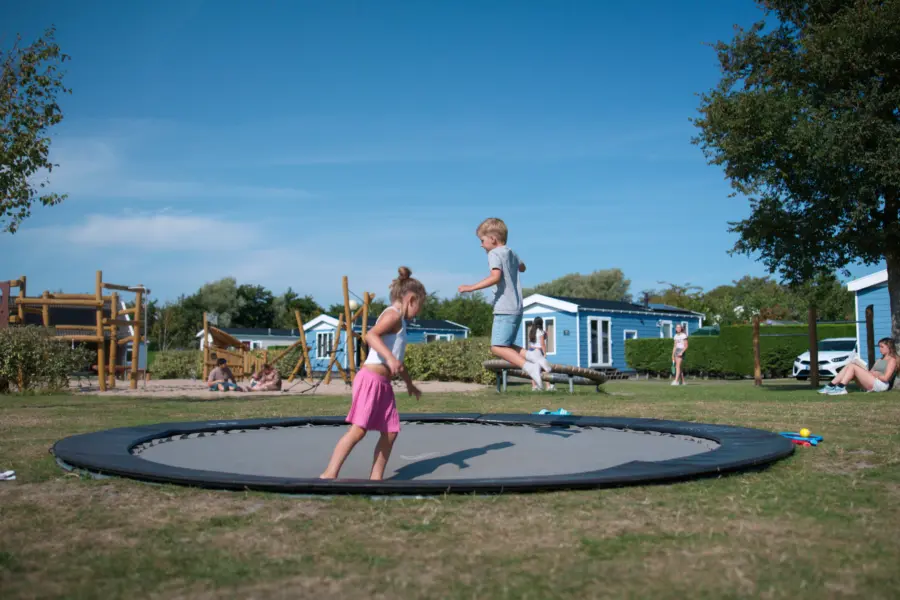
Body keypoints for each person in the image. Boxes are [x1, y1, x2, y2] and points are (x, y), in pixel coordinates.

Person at [320, 267, 426, 480]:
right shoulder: (392, 315)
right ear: (411, 299)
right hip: (370, 380)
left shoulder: (400, 321)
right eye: (420, 307)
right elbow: (370, 336)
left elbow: (399, 364)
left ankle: (376, 478)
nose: (419, 312)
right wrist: (389, 357)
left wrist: (409, 384)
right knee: (359, 430)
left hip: (383, 384)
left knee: (390, 432)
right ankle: (329, 474)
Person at [457, 217, 549, 389]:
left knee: (496, 348)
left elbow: (495, 277)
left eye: (482, 241)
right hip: (517, 307)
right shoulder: (511, 252)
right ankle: (534, 355)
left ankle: (530, 366)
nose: (481, 245)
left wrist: (470, 288)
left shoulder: (494, 254)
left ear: (492, 239)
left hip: (504, 307)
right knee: (506, 345)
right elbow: (523, 267)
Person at [819, 337, 898, 395]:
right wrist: (869, 372)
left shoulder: (892, 360)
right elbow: (870, 373)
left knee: (852, 366)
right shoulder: (879, 360)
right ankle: (830, 386)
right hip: (872, 380)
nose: (880, 349)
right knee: (850, 364)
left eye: (882, 347)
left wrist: (876, 375)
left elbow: (886, 378)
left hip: (881, 384)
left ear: (889, 347)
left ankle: (840, 388)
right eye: (879, 347)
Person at [526, 317, 554, 391]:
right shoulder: (540, 331)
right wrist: (545, 353)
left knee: (533, 369)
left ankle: (534, 387)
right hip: (538, 351)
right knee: (545, 369)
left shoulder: (532, 331)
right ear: (541, 323)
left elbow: (535, 341)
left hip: (531, 350)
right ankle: (548, 386)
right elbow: (542, 344)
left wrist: (545, 335)